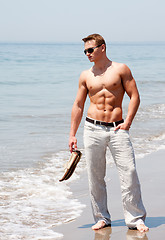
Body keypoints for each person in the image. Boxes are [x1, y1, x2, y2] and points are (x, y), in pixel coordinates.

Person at [69, 34, 149, 233]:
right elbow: (78, 105)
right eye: (85, 51)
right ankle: (102, 217)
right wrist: (72, 134)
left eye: (90, 50)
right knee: (95, 176)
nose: (87, 54)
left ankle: (135, 219)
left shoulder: (121, 69)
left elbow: (135, 96)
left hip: (117, 128)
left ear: (102, 48)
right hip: (92, 128)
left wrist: (128, 121)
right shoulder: (86, 75)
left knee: (129, 172)